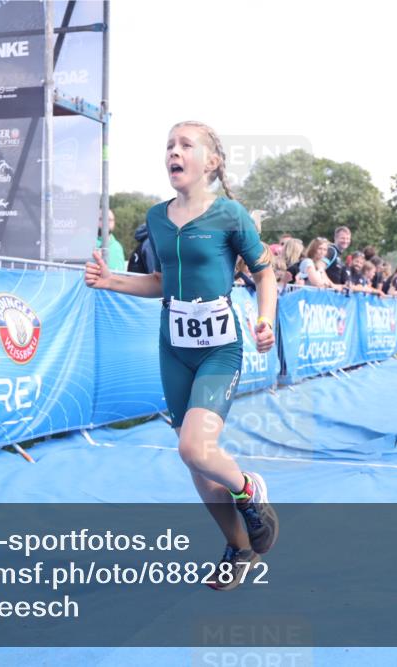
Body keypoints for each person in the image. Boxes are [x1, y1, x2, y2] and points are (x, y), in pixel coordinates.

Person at [84, 120, 279, 590]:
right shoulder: (156, 218)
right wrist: (113, 281)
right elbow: (160, 284)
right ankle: (240, 548)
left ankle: (250, 490)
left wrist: (266, 320)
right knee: (196, 462)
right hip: (173, 350)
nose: (173, 151)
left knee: (194, 447)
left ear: (210, 162)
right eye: (169, 145)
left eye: (185, 145)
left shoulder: (230, 215)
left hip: (218, 350)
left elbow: (266, 272)